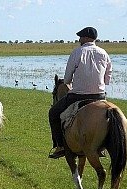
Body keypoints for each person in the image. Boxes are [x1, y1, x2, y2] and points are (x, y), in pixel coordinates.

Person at [48, 27, 112, 159]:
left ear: (87, 38)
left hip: (78, 95)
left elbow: (66, 79)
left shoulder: (77, 52)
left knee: (53, 113)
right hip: (100, 96)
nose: (79, 40)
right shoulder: (104, 53)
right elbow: (108, 76)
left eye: (81, 37)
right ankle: (103, 147)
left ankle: (59, 146)